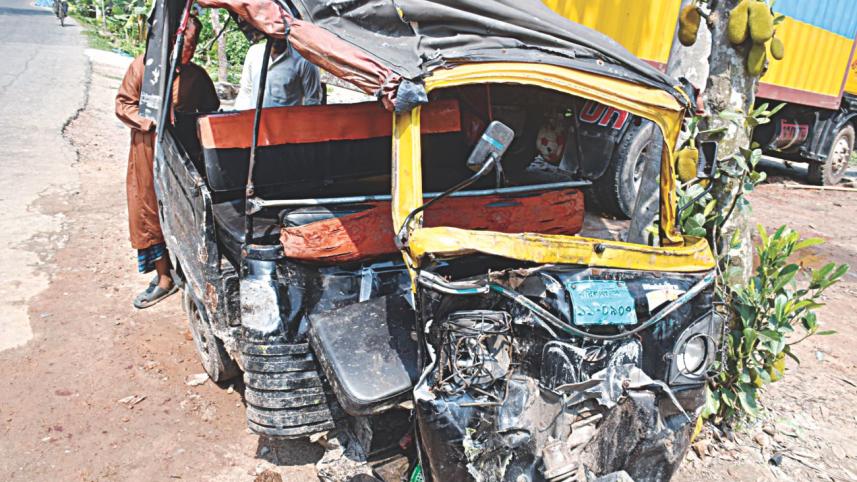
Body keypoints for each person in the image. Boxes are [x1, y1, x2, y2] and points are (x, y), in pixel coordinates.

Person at [115, 15, 220, 309]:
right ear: (173, 40)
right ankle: (164, 278)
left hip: (183, 153)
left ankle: (187, 270)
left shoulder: (196, 76)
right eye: (187, 42)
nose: (192, 48)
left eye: (195, 43)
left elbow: (211, 110)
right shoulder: (144, 67)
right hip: (147, 151)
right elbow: (123, 103)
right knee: (149, 211)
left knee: (185, 209)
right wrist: (147, 122)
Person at [234, 39, 322, 109]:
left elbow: (312, 100)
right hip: (256, 124)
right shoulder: (254, 52)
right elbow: (245, 91)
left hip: (286, 126)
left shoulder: (304, 60)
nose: (277, 36)